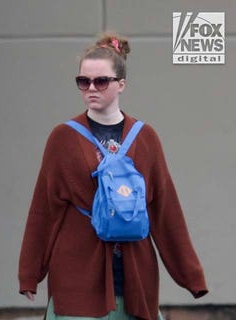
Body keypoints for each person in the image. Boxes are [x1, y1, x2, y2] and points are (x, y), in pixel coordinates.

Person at [17, 33, 208, 320]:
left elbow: (164, 210)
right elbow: (44, 209)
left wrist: (191, 276)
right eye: (83, 81)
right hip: (77, 277)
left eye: (100, 81)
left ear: (121, 84)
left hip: (135, 278)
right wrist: (30, 273)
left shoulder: (146, 138)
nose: (91, 88)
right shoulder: (63, 138)